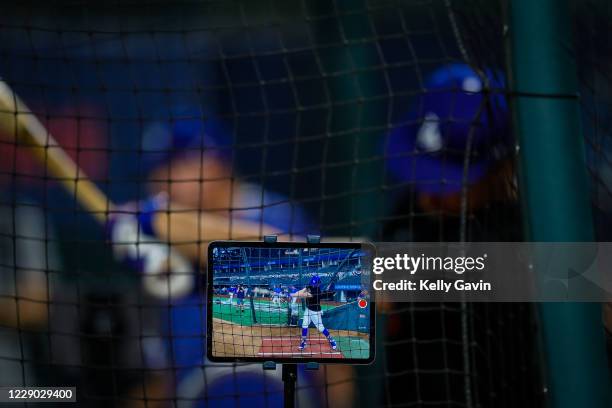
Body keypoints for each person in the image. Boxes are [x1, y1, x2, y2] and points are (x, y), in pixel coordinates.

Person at [382, 63, 543, 406]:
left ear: (504, 168)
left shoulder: (526, 229)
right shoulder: (415, 206)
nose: (430, 193)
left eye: (451, 180)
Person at [291, 275, 337, 351]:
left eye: (315, 284)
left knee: (320, 328)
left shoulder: (316, 292)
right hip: (308, 309)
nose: (313, 285)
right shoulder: (310, 286)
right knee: (304, 325)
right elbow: (302, 291)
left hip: (315, 312)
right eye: (312, 284)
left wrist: (290, 295)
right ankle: (303, 342)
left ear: (318, 284)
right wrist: (295, 293)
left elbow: (303, 295)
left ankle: (331, 340)